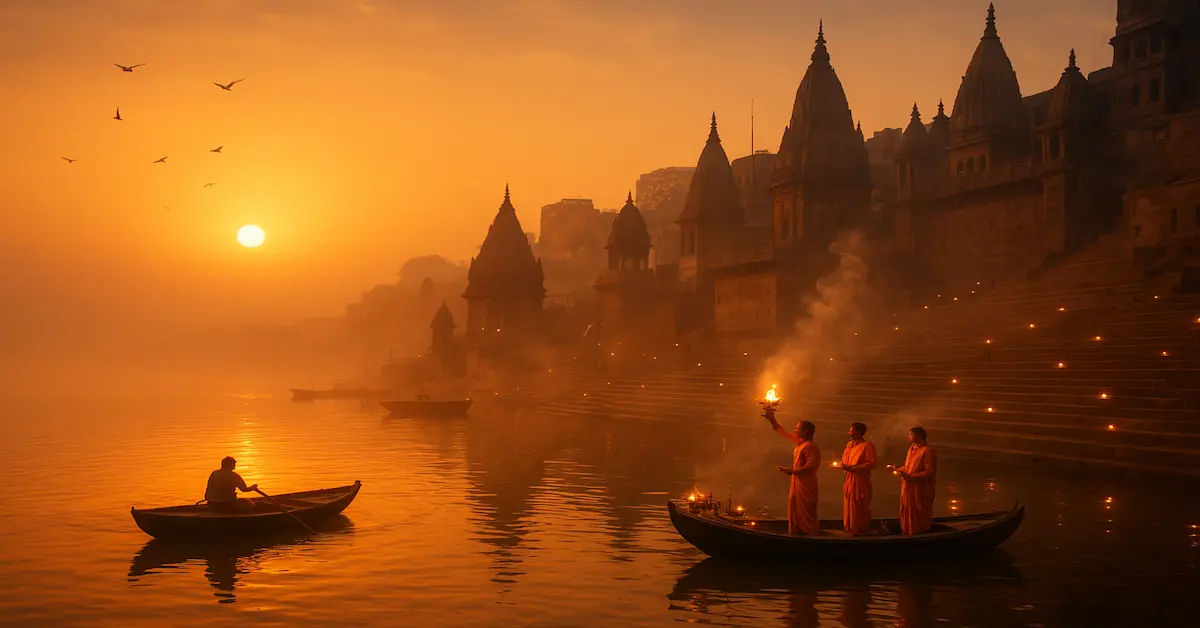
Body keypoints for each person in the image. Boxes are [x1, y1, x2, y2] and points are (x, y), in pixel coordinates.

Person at [765, 407, 821, 536]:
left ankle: (809, 535)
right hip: (797, 482)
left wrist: (792, 470)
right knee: (794, 508)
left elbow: (811, 467)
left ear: (806, 432)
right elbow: (782, 432)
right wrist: (772, 419)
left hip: (806, 484)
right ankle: (796, 533)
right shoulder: (800, 443)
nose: (795, 430)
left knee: (806, 510)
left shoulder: (812, 447)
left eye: (797, 428)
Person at [893, 427, 937, 535]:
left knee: (919, 510)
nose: (908, 437)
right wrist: (899, 469)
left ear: (919, 436)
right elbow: (909, 467)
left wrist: (913, 477)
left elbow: (930, 471)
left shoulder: (928, 451)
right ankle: (907, 530)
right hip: (908, 486)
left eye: (910, 434)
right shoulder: (911, 449)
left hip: (920, 488)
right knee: (907, 510)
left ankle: (919, 533)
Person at [839, 422, 877, 535]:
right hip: (849, 478)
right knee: (849, 503)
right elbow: (844, 461)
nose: (849, 432)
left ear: (859, 432)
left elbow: (871, 463)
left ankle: (861, 529)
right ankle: (850, 527)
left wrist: (853, 467)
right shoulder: (849, 445)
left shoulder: (866, 445)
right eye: (850, 430)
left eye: (851, 430)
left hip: (860, 479)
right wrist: (843, 465)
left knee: (859, 503)